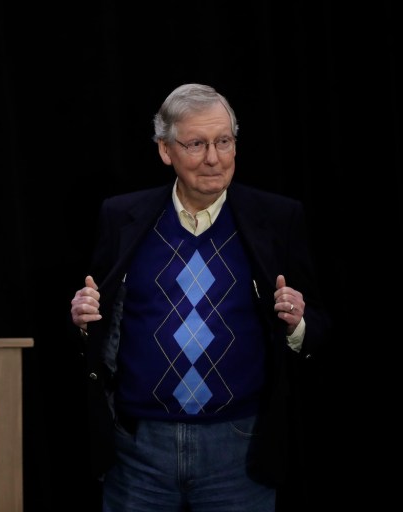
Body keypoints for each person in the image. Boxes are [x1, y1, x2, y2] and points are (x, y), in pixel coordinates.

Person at [69, 83, 331, 511]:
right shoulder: (121, 217)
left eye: (223, 141)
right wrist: (82, 321)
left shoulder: (277, 218)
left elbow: (318, 324)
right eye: (196, 144)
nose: (213, 158)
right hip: (140, 451)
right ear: (165, 150)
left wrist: (298, 322)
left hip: (240, 448)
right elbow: (95, 321)